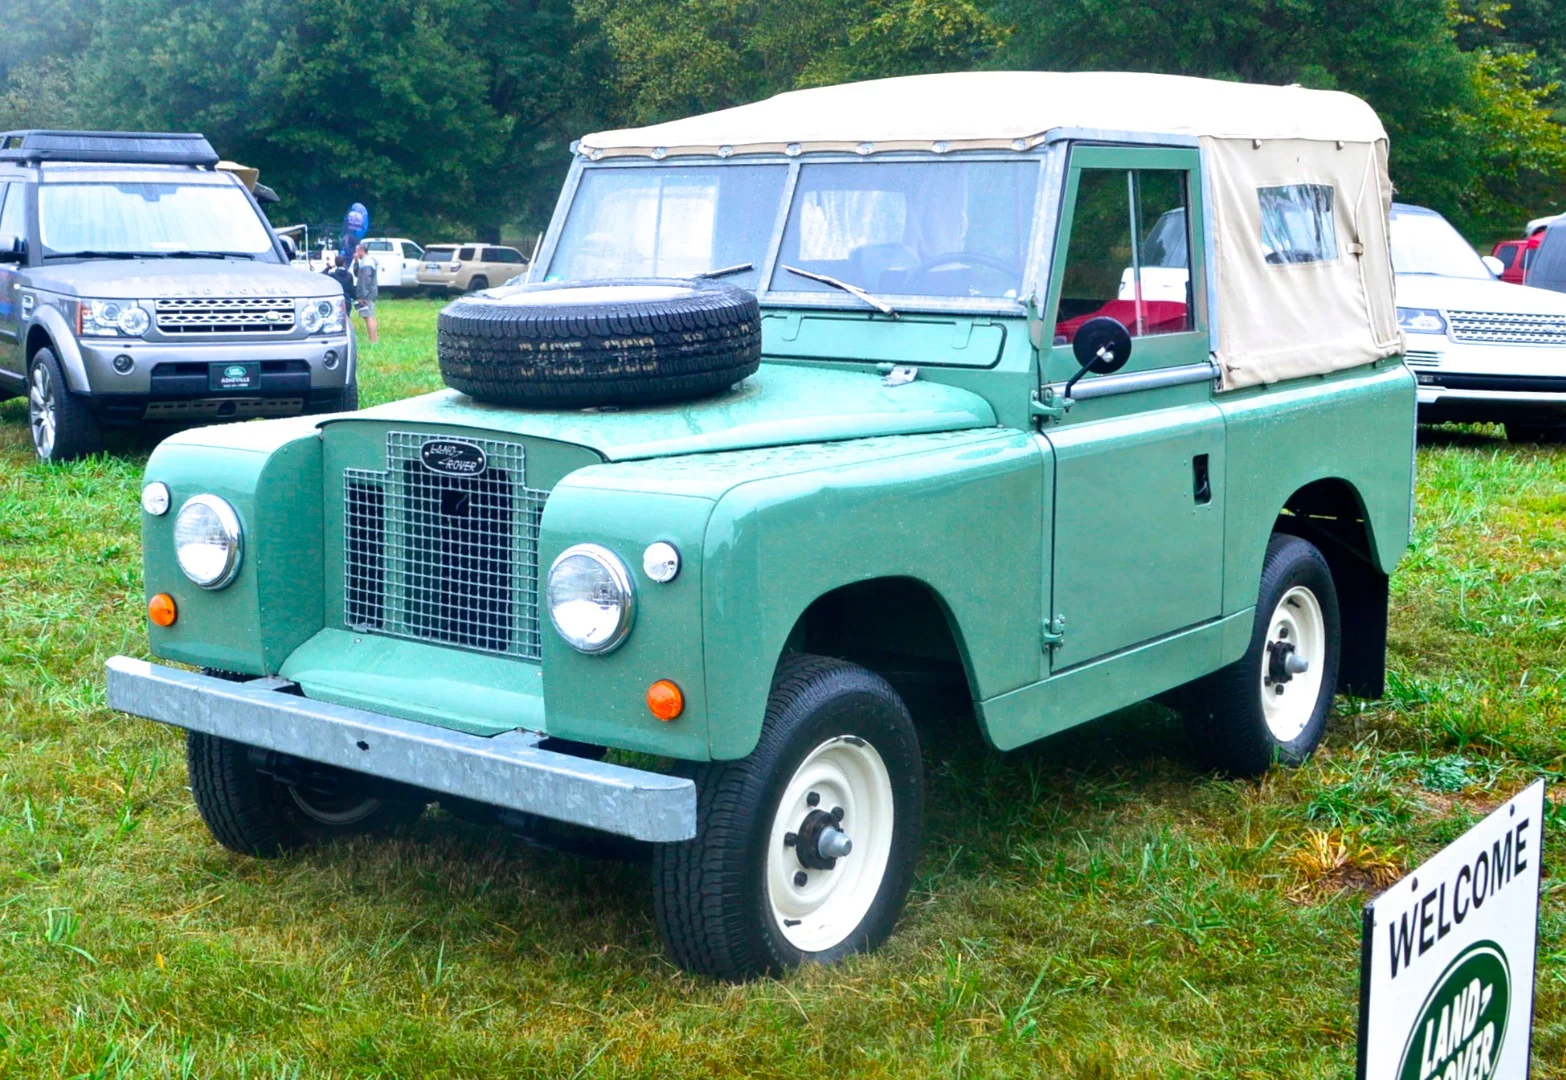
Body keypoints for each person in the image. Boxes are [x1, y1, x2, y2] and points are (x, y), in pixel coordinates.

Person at [352, 243, 379, 344]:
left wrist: (362, 296)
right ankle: (373, 340)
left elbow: (365, 280)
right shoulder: (364, 261)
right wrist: (356, 261)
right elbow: (357, 274)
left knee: (369, 316)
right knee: (367, 316)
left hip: (367, 295)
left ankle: (373, 341)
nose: (355, 253)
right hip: (367, 293)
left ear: (361, 250)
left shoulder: (367, 262)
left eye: (357, 250)